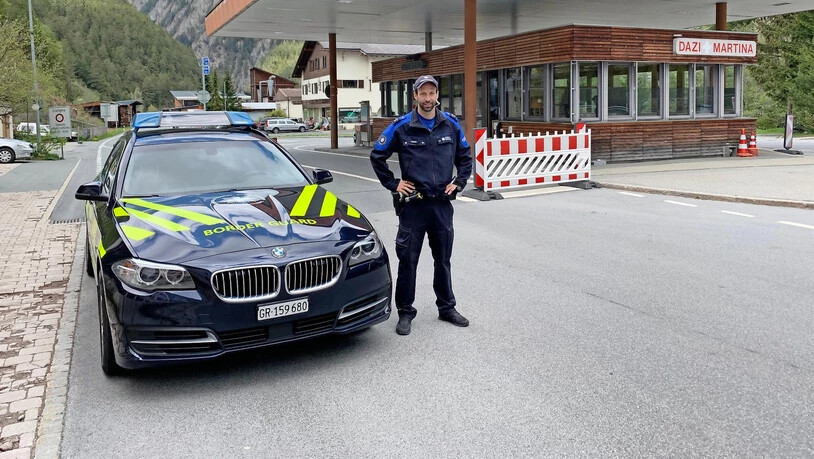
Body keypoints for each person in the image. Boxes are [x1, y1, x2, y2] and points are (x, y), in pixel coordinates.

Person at [370, 75, 473, 336]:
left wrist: (459, 183)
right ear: (415, 95)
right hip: (413, 206)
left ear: (437, 95)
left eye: (432, 93)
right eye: (423, 94)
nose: (428, 99)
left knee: (443, 260)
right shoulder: (402, 126)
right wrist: (394, 184)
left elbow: (465, 157)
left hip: (440, 205)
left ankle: (447, 307)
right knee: (408, 261)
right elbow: (377, 155)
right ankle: (405, 312)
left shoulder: (450, 125)